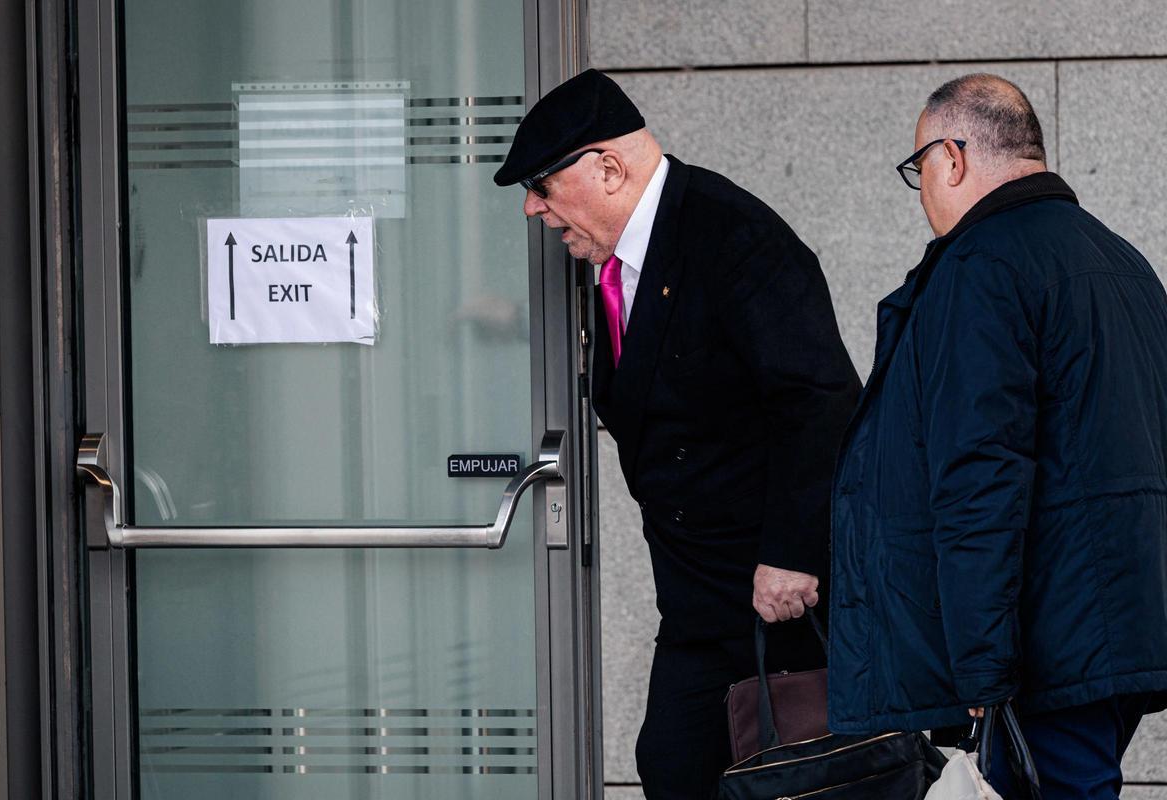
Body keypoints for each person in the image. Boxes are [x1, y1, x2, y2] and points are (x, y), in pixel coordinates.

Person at [493, 69, 861, 798]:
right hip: (695, 596)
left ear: (608, 166)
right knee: (672, 765)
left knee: (798, 781)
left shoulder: (736, 237)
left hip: (775, 596)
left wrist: (790, 556)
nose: (534, 208)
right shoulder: (609, 262)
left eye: (541, 183)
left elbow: (820, 399)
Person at [828, 72, 1167, 799]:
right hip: (1115, 627)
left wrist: (979, 667)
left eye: (919, 168)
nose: (922, 189)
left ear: (952, 156)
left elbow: (979, 473)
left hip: (1046, 644)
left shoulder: (982, 266)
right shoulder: (1120, 262)